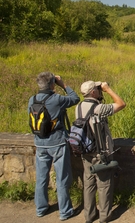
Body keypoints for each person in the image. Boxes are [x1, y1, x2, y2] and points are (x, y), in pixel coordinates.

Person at [28, 72, 80, 221]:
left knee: (41, 178)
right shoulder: (56, 99)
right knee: (62, 178)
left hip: (39, 142)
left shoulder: (32, 99)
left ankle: (41, 208)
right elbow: (75, 98)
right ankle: (65, 211)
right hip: (57, 142)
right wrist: (63, 84)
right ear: (52, 85)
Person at [78, 80, 126, 223]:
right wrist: (108, 89)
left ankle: (89, 215)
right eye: (97, 89)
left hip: (85, 151)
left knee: (89, 184)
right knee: (104, 185)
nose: (99, 91)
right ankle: (104, 216)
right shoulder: (98, 109)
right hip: (100, 153)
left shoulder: (79, 106)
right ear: (93, 92)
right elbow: (121, 104)